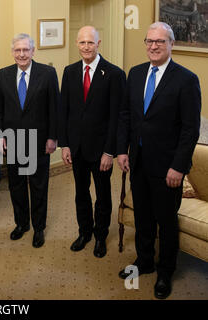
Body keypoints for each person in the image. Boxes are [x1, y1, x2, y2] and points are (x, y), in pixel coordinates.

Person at [117, 22, 201, 299]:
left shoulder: (186, 80)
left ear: (171, 44)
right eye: (149, 41)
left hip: (168, 168)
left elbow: (190, 129)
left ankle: (165, 271)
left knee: (165, 221)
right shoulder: (136, 73)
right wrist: (122, 150)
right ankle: (144, 261)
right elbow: (127, 116)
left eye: (160, 42)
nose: (153, 46)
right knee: (142, 216)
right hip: (138, 161)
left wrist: (178, 166)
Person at [58, 26, 126, 258]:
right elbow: (63, 112)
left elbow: (117, 116)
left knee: (103, 195)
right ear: (77, 44)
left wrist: (110, 151)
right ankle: (84, 232)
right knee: (81, 193)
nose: (86, 47)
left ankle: (100, 236)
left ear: (99, 44)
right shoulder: (69, 72)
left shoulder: (115, 74)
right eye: (82, 43)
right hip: (76, 147)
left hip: (101, 150)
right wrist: (64, 144)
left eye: (90, 43)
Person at [0, 34, 60, 248]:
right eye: (17, 50)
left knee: (38, 186)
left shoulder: (48, 73)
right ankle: (21, 224)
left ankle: (38, 228)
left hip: (39, 141)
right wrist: (0, 135)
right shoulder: (3, 74)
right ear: (12, 52)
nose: (21, 54)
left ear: (33, 51)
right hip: (13, 140)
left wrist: (53, 137)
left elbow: (54, 108)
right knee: (17, 185)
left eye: (25, 50)